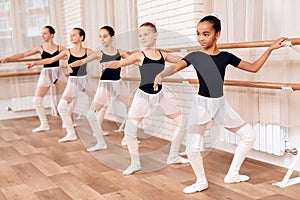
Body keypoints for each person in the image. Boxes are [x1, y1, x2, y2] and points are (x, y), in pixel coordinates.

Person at [153, 14, 287, 194]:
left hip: (220, 105)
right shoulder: (195, 56)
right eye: (198, 34)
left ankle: (233, 174)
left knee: (248, 136)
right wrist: (161, 75)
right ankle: (201, 182)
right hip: (202, 105)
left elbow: (254, 68)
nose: (201, 38)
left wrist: (270, 49)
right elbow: (174, 67)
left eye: (206, 34)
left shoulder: (225, 57)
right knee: (193, 149)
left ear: (217, 34)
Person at [104, 22, 189, 175]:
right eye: (140, 35)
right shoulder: (139, 56)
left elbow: (180, 60)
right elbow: (121, 63)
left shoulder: (163, 54)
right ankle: (135, 163)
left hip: (160, 95)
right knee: (130, 131)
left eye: (146, 34)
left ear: (155, 35)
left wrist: (194, 57)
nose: (142, 38)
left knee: (182, 123)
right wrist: (107, 64)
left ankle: (173, 156)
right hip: (143, 97)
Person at [67, 25, 132, 152]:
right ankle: (100, 142)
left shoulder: (121, 52)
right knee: (91, 114)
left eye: (105, 36)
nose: (102, 39)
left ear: (112, 37)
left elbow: (134, 58)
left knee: (134, 107)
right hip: (105, 86)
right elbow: (82, 61)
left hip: (118, 84)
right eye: (100, 37)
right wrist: (71, 65)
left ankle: (128, 137)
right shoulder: (99, 53)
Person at [27, 27, 95, 142]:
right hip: (73, 81)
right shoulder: (67, 52)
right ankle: (71, 133)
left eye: (74, 35)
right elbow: (50, 60)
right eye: (70, 35)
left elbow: (101, 56)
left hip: (85, 80)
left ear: (81, 37)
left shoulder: (88, 51)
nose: (71, 37)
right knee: (61, 107)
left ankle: (97, 130)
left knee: (100, 102)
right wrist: (35, 62)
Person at [0, 25, 67, 133]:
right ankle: (44, 124)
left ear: (52, 35)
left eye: (45, 33)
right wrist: (9, 58)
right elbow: (24, 54)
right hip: (46, 73)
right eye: (41, 33)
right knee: (37, 100)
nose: (42, 35)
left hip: (58, 72)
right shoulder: (39, 48)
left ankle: (68, 122)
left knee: (68, 98)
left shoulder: (60, 48)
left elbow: (71, 55)